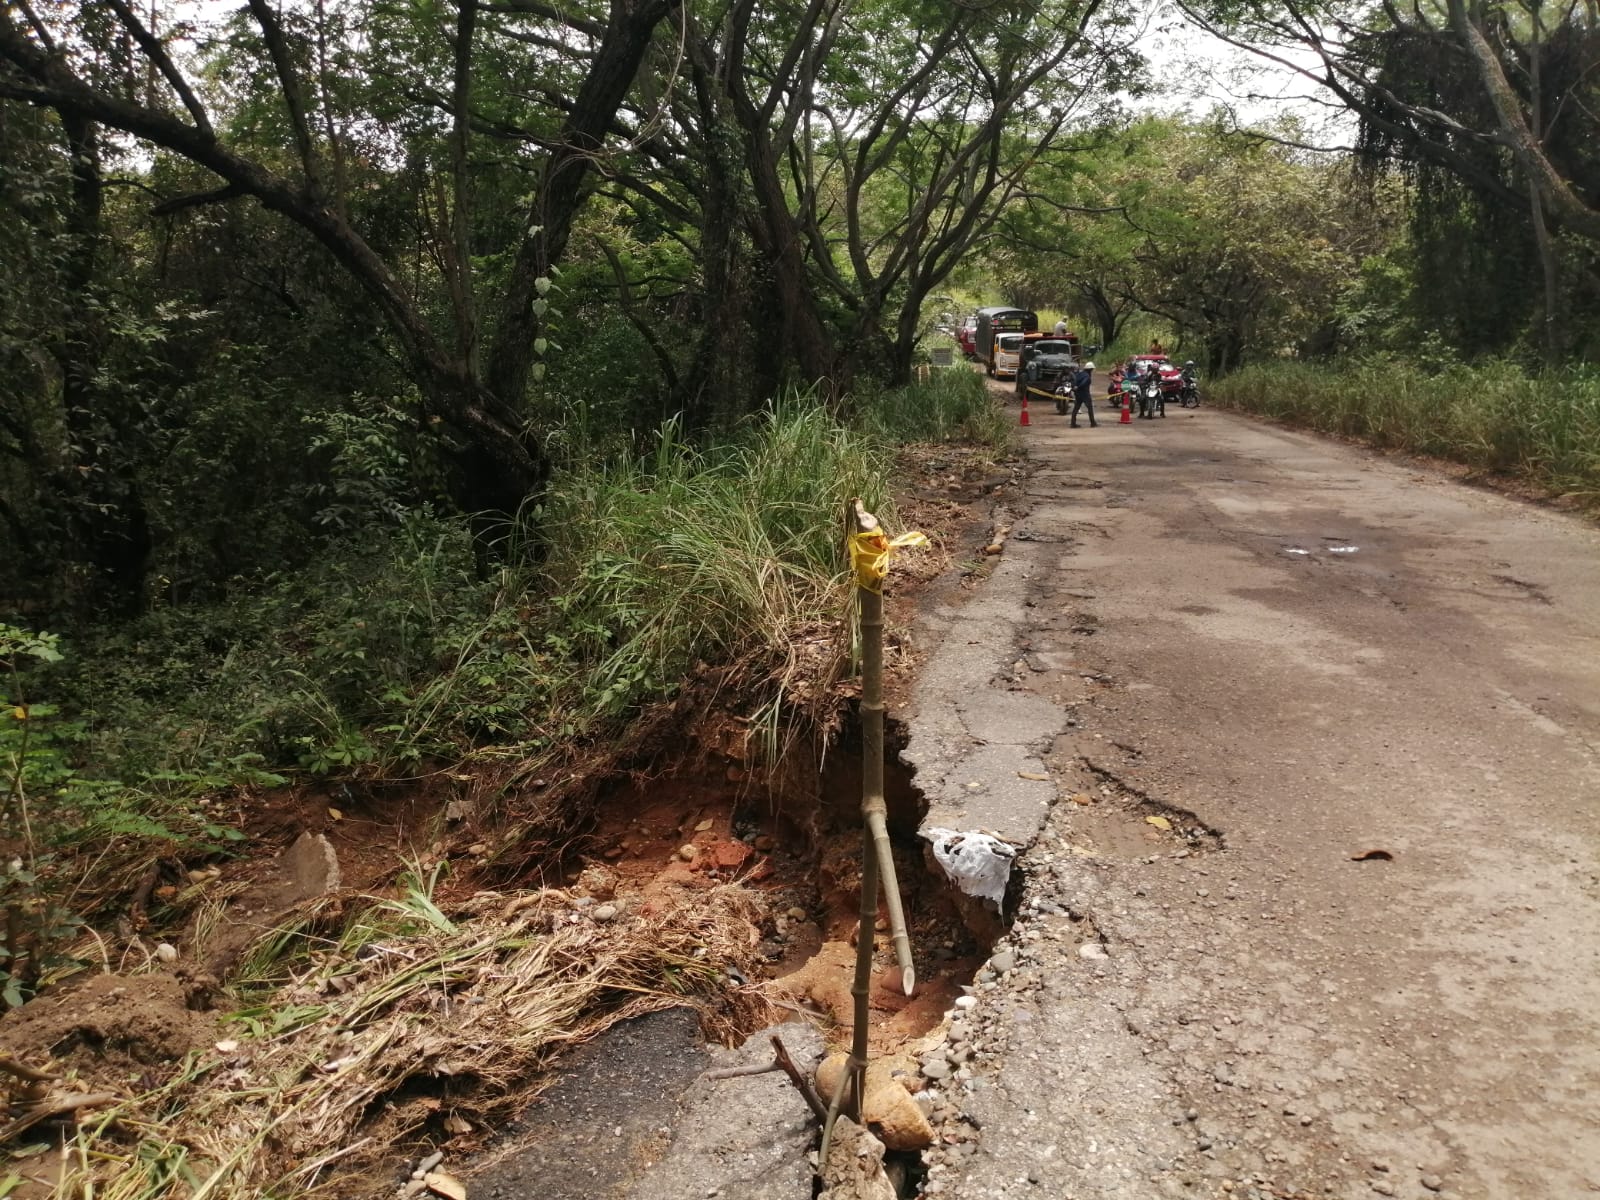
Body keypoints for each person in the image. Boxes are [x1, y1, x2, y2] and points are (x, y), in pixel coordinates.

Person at [1070, 360, 1097, 428]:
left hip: (1078, 393)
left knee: (1076, 408)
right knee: (1090, 408)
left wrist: (1075, 388)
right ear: (1090, 369)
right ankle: (1092, 423)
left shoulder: (1080, 373)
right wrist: (1079, 387)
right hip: (1084, 394)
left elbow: (1074, 380)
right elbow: (1084, 383)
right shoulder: (1087, 376)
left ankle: (1073, 423)